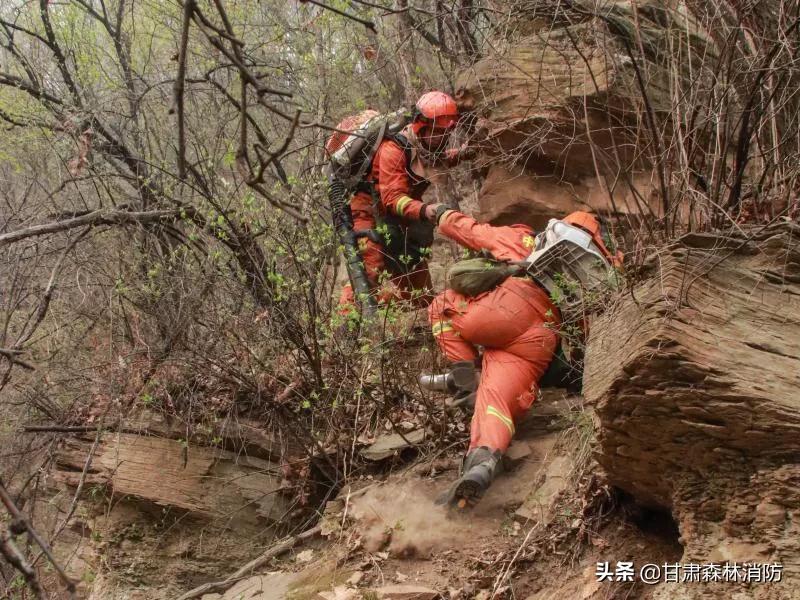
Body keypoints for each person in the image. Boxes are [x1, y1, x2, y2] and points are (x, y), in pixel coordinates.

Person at [424, 205, 619, 507]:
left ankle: (464, 384)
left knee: (441, 306)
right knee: (497, 402)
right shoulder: (602, 269)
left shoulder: (525, 240)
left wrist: (438, 214)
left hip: (510, 307)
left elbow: (470, 231)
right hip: (542, 338)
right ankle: (482, 463)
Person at [336, 91, 468, 313]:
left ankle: (418, 319)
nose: (442, 139)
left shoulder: (428, 146)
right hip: (367, 211)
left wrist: (466, 153)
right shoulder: (393, 150)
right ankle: (347, 329)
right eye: (438, 133)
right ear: (421, 126)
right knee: (369, 269)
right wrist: (426, 210)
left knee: (417, 279)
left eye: (446, 133)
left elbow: (439, 160)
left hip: (398, 216)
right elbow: (392, 199)